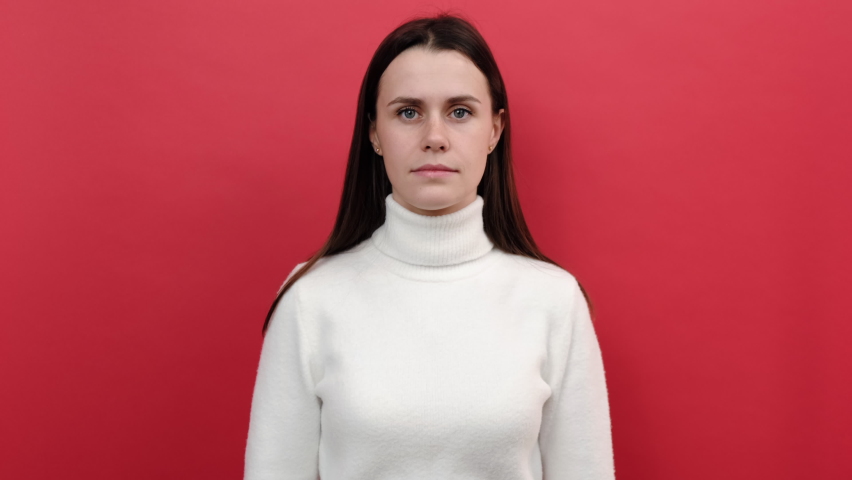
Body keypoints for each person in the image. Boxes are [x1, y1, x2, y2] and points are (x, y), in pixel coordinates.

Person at [244, 13, 615, 480]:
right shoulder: (310, 299)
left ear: (494, 130)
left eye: (460, 112)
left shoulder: (554, 300)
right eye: (408, 112)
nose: (434, 138)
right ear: (374, 132)